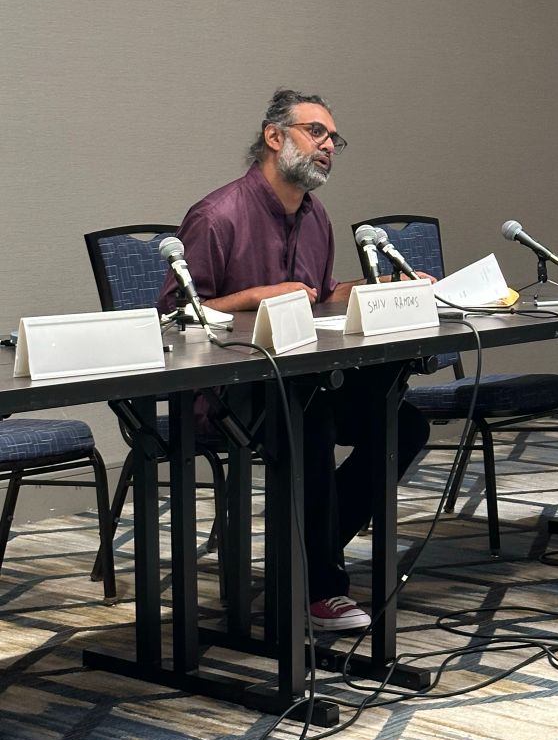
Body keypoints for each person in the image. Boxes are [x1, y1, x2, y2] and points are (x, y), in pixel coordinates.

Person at [158, 89, 430, 632]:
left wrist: (382, 286)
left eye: (334, 138)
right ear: (274, 136)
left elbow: (320, 292)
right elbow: (174, 318)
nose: (329, 145)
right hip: (228, 391)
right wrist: (256, 296)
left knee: (403, 422)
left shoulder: (315, 216)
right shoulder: (217, 215)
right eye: (317, 132)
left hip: (301, 378)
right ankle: (316, 587)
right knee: (313, 415)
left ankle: (311, 555)